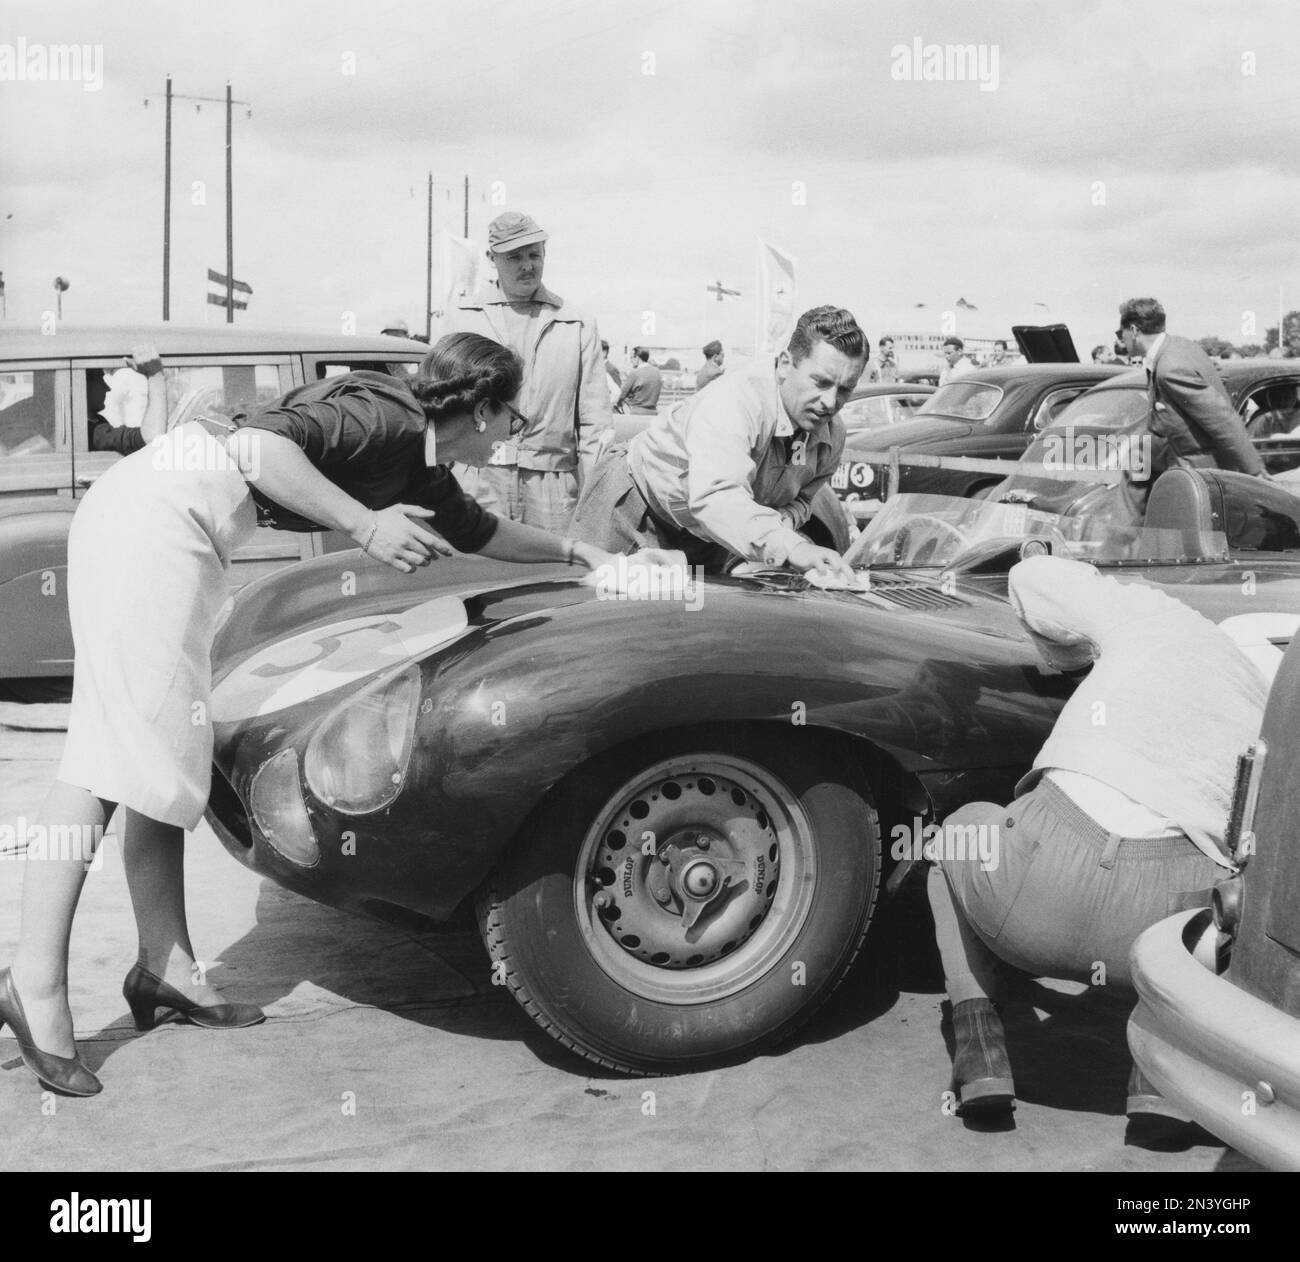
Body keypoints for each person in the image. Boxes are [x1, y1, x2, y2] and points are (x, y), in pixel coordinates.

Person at [0, 332, 657, 1098]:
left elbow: (481, 534)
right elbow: (260, 448)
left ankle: (167, 969)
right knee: (107, 759)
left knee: (162, 748)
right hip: (157, 522)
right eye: (513, 416)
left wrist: (587, 555)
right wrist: (367, 521)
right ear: (479, 406)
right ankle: (35, 985)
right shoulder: (389, 411)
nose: (514, 434)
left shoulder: (421, 462)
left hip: (170, 519)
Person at [927, 555, 1266, 1134]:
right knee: (1222, 909)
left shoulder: (1158, 618)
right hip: (1154, 936)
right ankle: (1158, 1081)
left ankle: (980, 1049)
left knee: (955, 837)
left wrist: (1072, 654)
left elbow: (1033, 577)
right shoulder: (1274, 705)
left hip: (1037, 889)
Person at [571, 305, 867, 580]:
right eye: (821, 382)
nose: (831, 402)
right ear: (785, 365)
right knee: (593, 615)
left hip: (710, 532)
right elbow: (717, 497)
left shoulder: (832, 434)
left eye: (845, 389)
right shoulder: (736, 402)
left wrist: (779, 527)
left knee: (690, 628)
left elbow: (802, 501)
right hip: (634, 504)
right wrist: (791, 547)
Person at [443, 210, 611, 532]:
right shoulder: (463, 318)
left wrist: (596, 499)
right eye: (514, 256)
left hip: (553, 488)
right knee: (477, 574)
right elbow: (440, 407)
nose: (527, 265)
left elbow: (595, 423)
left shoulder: (575, 323)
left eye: (534, 254)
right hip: (477, 478)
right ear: (492, 259)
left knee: (555, 576)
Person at [1117, 297, 1266, 477]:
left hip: (1195, 470)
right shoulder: (1182, 346)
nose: (1121, 339)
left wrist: (1256, 472)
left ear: (1133, 330)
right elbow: (1217, 376)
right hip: (1179, 457)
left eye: (1120, 333)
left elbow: (1222, 419)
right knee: (1135, 466)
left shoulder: (1169, 367)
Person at [88, 346, 168, 456]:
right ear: (84, 386)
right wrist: (156, 375)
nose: (107, 388)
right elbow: (152, 438)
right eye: (100, 380)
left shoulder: (96, 422)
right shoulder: (92, 432)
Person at [616, 347, 663, 415]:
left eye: (632, 358)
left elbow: (622, 395)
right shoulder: (657, 372)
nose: (631, 360)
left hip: (636, 412)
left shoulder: (634, 373)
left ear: (637, 358)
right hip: (653, 412)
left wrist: (618, 404)